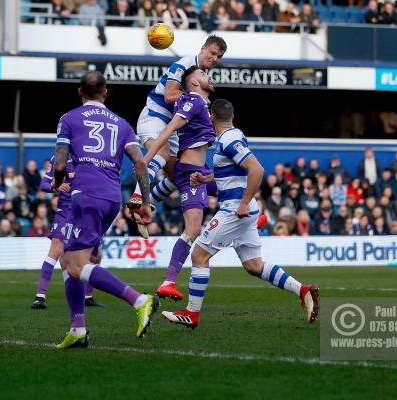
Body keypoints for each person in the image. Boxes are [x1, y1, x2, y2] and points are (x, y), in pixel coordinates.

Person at [161, 99, 318, 328]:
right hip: (242, 210)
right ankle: (303, 290)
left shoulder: (228, 139)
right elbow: (235, 170)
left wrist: (244, 202)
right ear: (232, 116)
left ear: (211, 118)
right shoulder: (232, 136)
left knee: (199, 255)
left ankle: (191, 314)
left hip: (235, 209)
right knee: (254, 265)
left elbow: (256, 169)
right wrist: (206, 179)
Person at [53, 71, 157, 349]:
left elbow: (60, 163)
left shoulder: (69, 118)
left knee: (76, 265)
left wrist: (57, 183)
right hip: (111, 197)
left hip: (86, 195)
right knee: (68, 260)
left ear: (79, 92)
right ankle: (77, 329)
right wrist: (145, 202)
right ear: (105, 92)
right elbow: (140, 164)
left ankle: (139, 300)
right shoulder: (122, 124)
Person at [126, 35, 227, 238]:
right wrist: (195, 96)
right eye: (213, 53)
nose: (215, 58)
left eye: (219, 56)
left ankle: (147, 205)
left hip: (173, 126)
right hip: (155, 116)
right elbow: (169, 96)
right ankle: (137, 196)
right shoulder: (183, 65)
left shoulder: (202, 75)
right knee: (162, 152)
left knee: (179, 176)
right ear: (203, 48)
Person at [143, 66, 216, 301]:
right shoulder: (193, 100)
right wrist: (146, 159)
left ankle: (149, 202)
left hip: (200, 169)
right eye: (203, 74)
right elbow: (168, 130)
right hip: (191, 171)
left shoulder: (201, 104)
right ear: (194, 83)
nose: (209, 75)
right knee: (193, 229)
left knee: (235, 183)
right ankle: (168, 281)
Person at [30, 155, 104, 310]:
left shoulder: (91, 155)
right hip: (66, 211)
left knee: (96, 255)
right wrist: (55, 186)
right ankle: (40, 297)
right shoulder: (60, 157)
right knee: (56, 250)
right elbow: (43, 184)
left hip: (88, 210)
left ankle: (87, 297)